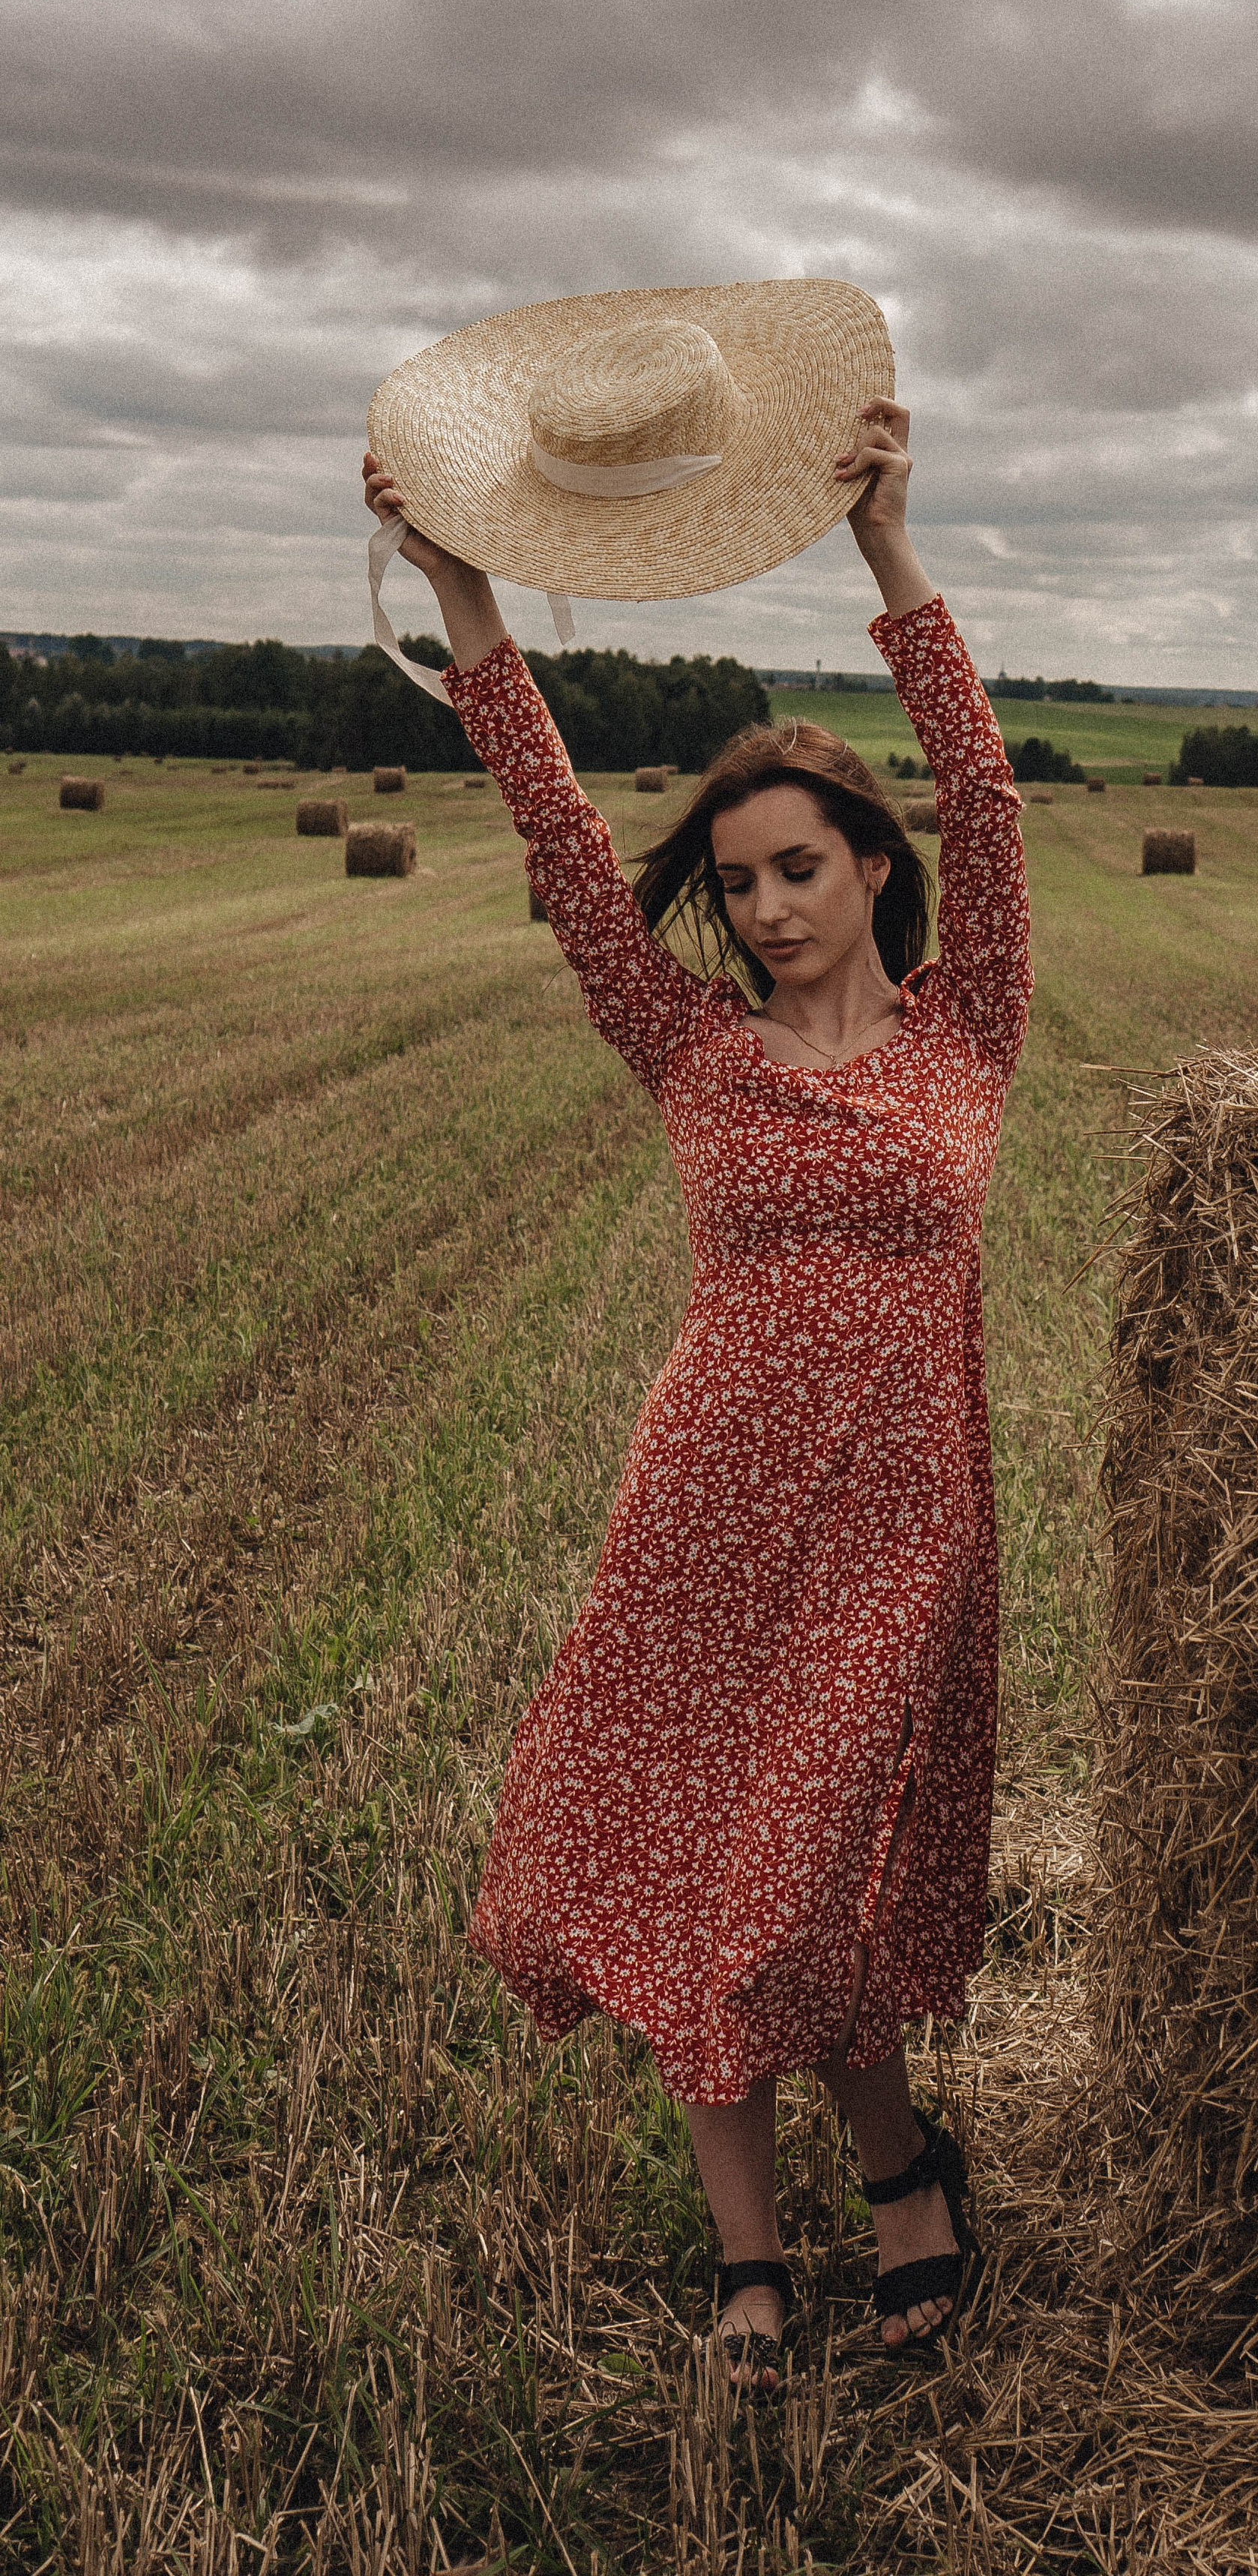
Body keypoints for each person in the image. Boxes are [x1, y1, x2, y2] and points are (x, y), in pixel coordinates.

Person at [361, 401, 1031, 2391]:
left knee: (808, 1895)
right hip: (705, 1516)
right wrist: (463, 593)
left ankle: (902, 2173)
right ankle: (758, 2258)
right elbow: (566, 846)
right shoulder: (690, 1052)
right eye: (735, 883)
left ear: (871, 866)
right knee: (686, 1877)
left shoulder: (966, 1025)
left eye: (799, 868)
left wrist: (892, 554)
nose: (763, 907)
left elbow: (989, 794)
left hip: (902, 1526)